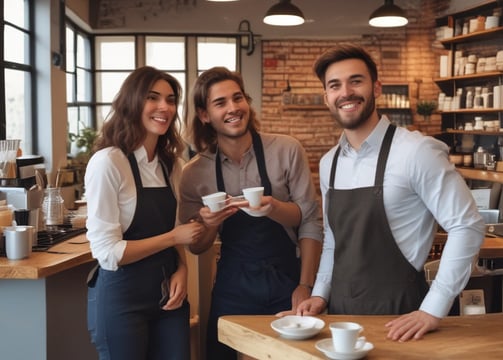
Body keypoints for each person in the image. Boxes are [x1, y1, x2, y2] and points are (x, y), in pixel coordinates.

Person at [293, 44, 485, 341]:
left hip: (402, 320)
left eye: (356, 81)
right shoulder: (329, 163)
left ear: (376, 88)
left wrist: (433, 308)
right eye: (335, 85)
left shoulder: (416, 152)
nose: (346, 92)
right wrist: (320, 294)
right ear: (327, 97)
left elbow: (467, 225)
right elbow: (333, 240)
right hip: (340, 317)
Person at [178, 66, 323, 359]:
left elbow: (309, 220)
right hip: (234, 283)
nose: (233, 108)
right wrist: (208, 224)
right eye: (221, 103)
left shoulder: (286, 149)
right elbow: (197, 246)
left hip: (288, 279)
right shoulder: (194, 173)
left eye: (238, 98)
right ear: (205, 115)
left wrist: (305, 285)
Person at [85, 66, 204, 360]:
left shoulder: (171, 165)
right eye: (153, 98)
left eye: (171, 99)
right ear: (132, 102)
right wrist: (174, 238)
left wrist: (183, 268)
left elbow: (175, 230)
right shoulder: (108, 163)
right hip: (122, 299)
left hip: (168, 296)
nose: (164, 107)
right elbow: (109, 254)